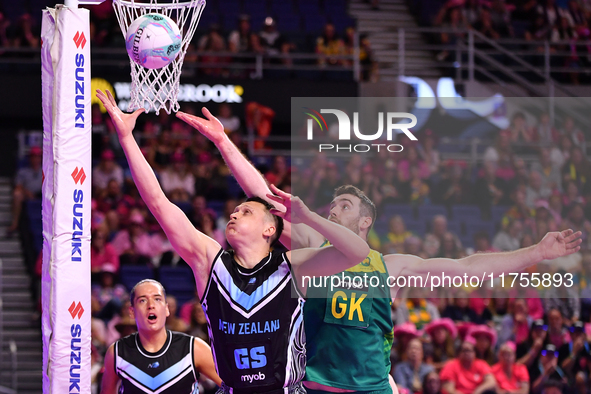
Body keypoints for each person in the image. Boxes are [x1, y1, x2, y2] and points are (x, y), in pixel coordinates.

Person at [175, 106, 582, 394]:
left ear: (365, 222)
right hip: (312, 385)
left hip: (370, 387)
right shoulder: (312, 247)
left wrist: (537, 252)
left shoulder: (391, 266)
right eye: (332, 204)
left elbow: (467, 268)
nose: (333, 209)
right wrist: (224, 142)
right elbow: (263, 196)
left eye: (345, 206)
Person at [97, 90, 371, 393]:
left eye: (246, 211)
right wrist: (126, 139)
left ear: (270, 229)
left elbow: (358, 251)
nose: (235, 213)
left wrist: (308, 217)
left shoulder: (293, 267)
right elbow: (159, 204)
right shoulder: (209, 261)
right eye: (235, 210)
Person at [100, 279, 222, 393]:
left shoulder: (194, 348)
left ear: (167, 309)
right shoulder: (117, 352)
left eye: (157, 299)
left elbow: (234, 386)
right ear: (132, 312)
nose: (151, 305)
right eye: (142, 300)